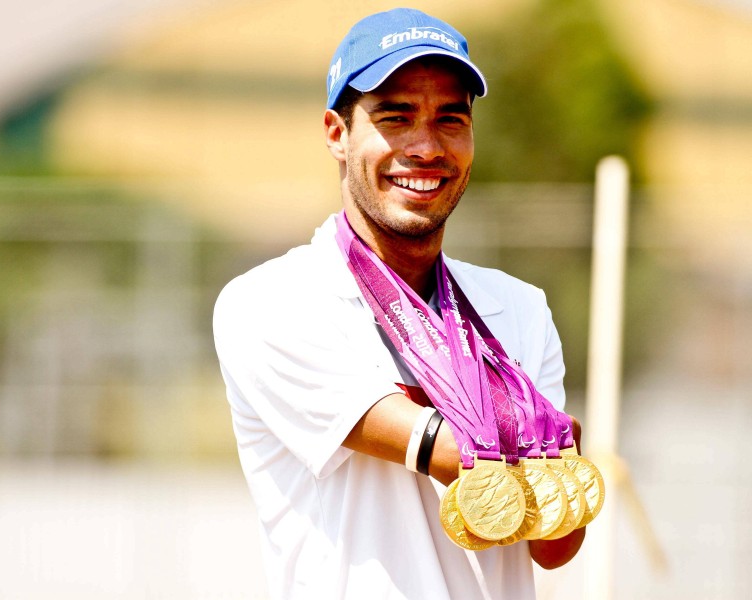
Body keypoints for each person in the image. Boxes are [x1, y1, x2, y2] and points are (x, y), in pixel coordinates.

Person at [214, 8, 585, 599]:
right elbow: (457, 454)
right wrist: (537, 434)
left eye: (450, 119)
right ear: (337, 134)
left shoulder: (520, 309)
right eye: (396, 116)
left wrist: (539, 459)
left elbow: (555, 541)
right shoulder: (269, 302)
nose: (425, 146)